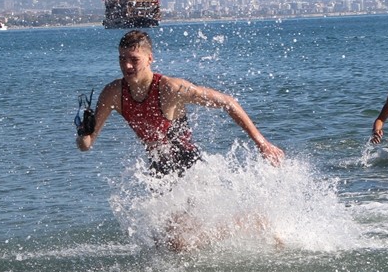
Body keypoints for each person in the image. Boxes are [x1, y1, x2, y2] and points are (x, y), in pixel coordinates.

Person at [76, 30, 284, 176]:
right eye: (122, 58)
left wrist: (262, 144)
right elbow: (86, 146)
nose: (127, 65)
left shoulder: (170, 88)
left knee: (182, 237)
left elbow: (227, 102)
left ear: (150, 59)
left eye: (134, 59)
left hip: (190, 167)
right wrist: (82, 131)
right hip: (157, 170)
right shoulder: (113, 93)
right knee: (165, 239)